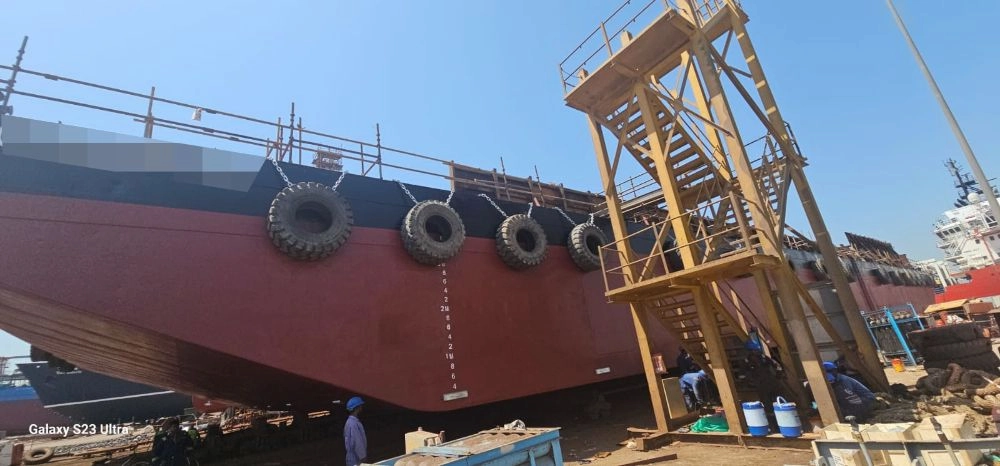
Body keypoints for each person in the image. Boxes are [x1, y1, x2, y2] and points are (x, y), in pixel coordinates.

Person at [344, 396, 368, 466]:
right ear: (357, 408)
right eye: (360, 406)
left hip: (352, 458)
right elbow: (358, 442)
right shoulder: (353, 424)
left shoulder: (349, 422)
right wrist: (363, 457)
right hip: (356, 459)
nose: (361, 408)